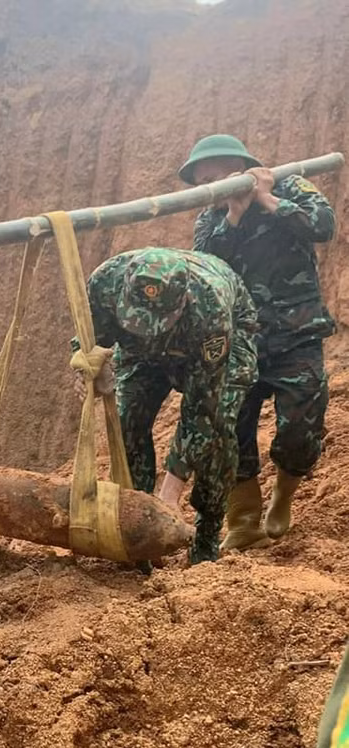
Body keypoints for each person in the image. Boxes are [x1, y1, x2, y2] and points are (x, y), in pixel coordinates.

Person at [180, 134, 335, 551]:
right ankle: (244, 520)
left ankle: (282, 497)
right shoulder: (209, 220)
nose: (206, 188)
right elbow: (204, 267)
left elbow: (323, 226)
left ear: (237, 167)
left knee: (301, 427)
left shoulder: (290, 186)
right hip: (240, 342)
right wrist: (233, 212)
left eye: (213, 177)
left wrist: (266, 200)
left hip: (296, 333)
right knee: (231, 429)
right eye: (200, 183)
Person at [79, 247, 258, 564]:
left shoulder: (209, 310)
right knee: (126, 419)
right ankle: (137, 524)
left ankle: (206, 538)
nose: (149, 328)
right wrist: (90, 366)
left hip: (218, 338)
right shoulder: (105, 280)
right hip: (139, 352)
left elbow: (201, 411)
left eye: (156, 322)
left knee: (217, 430)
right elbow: (88, 335)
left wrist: (170, 494)